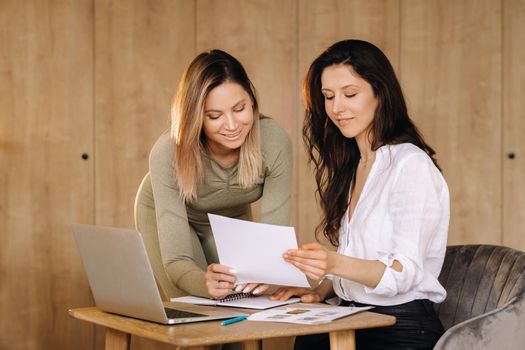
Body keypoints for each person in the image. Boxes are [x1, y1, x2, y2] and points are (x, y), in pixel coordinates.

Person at [270, 39, 449, 349]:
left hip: (399, 327)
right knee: (303, 342)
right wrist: (321, 290)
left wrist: (332, 262)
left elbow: (403, 273)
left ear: (380, 93)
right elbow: (360, 262)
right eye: (328, 96)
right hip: (353, 315)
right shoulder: (355, 167)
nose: (337, 108)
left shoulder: (410, 165)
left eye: (350, 94)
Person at [149, 49, 292, 300]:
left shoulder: (274, 141)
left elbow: (272, 241)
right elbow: (177, 260)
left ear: (252, 101)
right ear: (195, 117)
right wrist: (203, 284)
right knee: (199, 320)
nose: (232, 125)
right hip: (169, 215)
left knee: (240, 316)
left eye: (239, 109)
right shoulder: (167, 151)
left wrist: (267, 271)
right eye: (214, 116)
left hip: (228, 220)